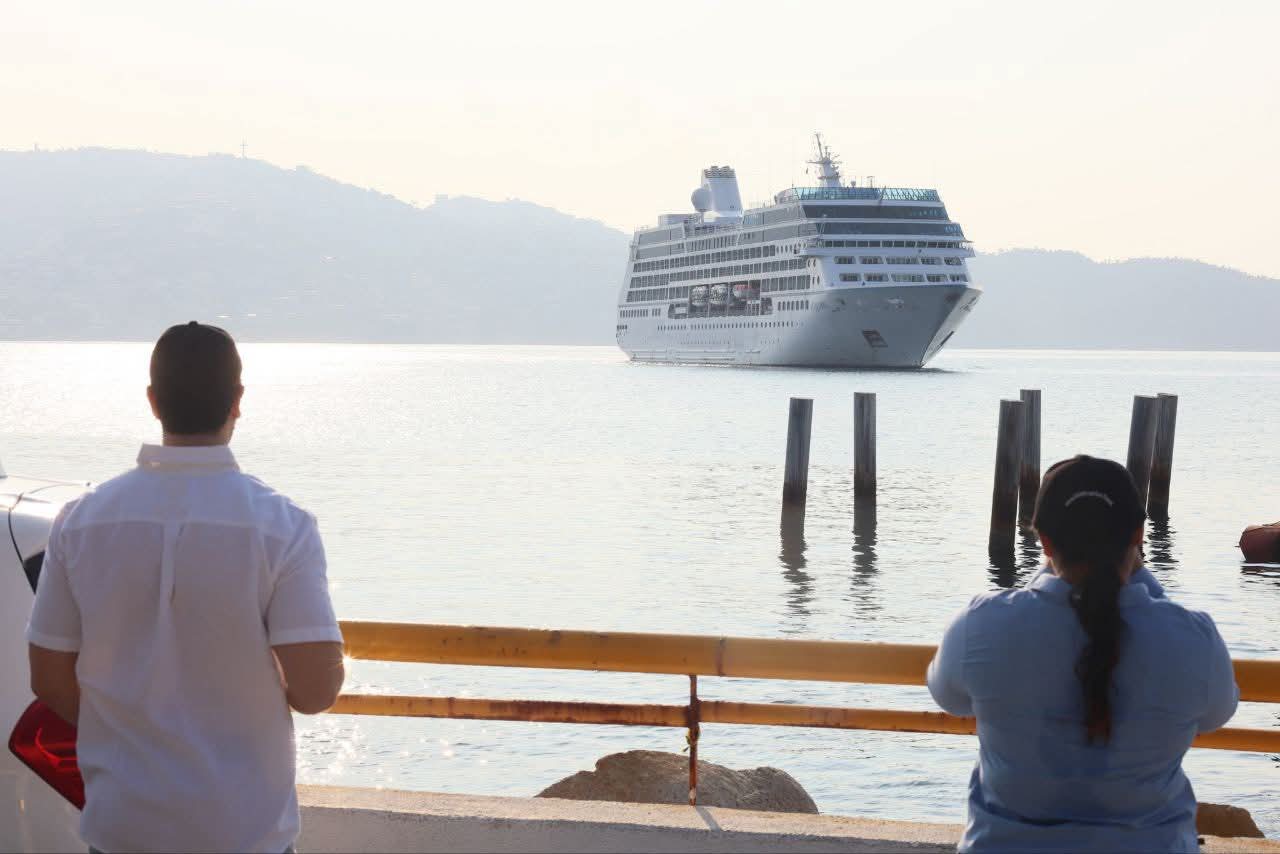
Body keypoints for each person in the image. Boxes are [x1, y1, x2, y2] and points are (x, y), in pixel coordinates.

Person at [27, 322, 345, 853]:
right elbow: (315, 691)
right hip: (243, 832)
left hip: (122, 828)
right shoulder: (282, 527)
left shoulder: (80, 522)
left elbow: (48, 676)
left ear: (153, 401)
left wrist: (130, 729)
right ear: (237, 400)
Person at [927, 455, 1238, 853]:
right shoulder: (1193, 638)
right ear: (1138, 536)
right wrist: (1145, 583)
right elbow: (1216, 715)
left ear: (1044, 542)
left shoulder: (981, 625)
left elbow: (948, 698)